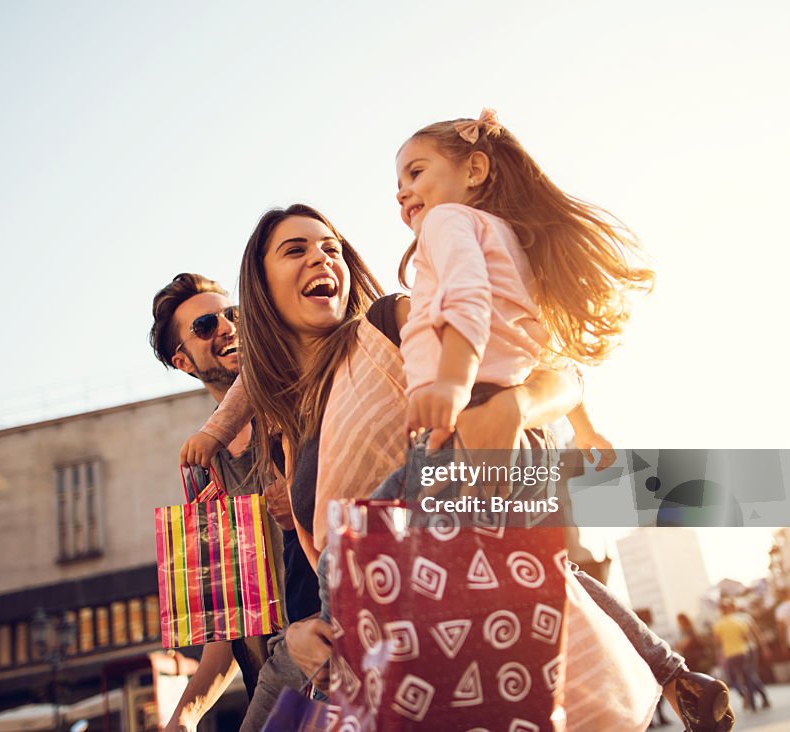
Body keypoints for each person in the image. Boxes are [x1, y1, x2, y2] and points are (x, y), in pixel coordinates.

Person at [184, 199, 731, 730]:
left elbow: (558, 370)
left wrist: (515, 408)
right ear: (262, 287)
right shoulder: (289, 430)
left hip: (490, 638)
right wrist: (306, 640)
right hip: (399, 670)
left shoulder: (389, 323)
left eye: (332, 248)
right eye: (295, 250)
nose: (322, 259)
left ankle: (670, 674)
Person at [149, 273, 309, 732]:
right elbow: (227, 628)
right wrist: (186, 715)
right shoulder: (202, 472)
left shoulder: (297, 408)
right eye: (204, 325)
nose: (226, 326)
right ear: (183, 360)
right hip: (276, 684)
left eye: (232, 314)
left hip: (333, 655)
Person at [714, 598, 771, 712]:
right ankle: (753, 698)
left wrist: (763, 647)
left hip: (738, 652)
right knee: (748, 675)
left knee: (743, 676)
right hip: (744, 650)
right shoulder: (736, 620)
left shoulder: (737, 619)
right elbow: (747, 636)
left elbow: (717, 642)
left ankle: (753, 699)